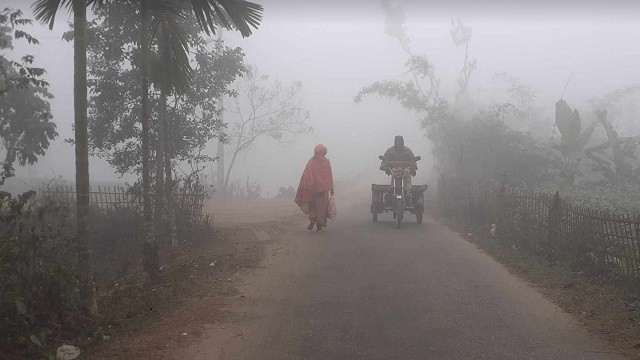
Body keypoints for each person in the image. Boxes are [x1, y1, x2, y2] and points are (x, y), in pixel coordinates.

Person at [295, 144, 335, 231]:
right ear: (324, 152)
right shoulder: (326, 162)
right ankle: (319, 225)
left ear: (315, 151)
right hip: (323, 190)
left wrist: (305, 187)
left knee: (312, 205)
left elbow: (306, 175)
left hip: (312, 189)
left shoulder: (311, 161)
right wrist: (332, 188)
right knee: (322, 207)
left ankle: (312, 221)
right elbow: (329, 175)